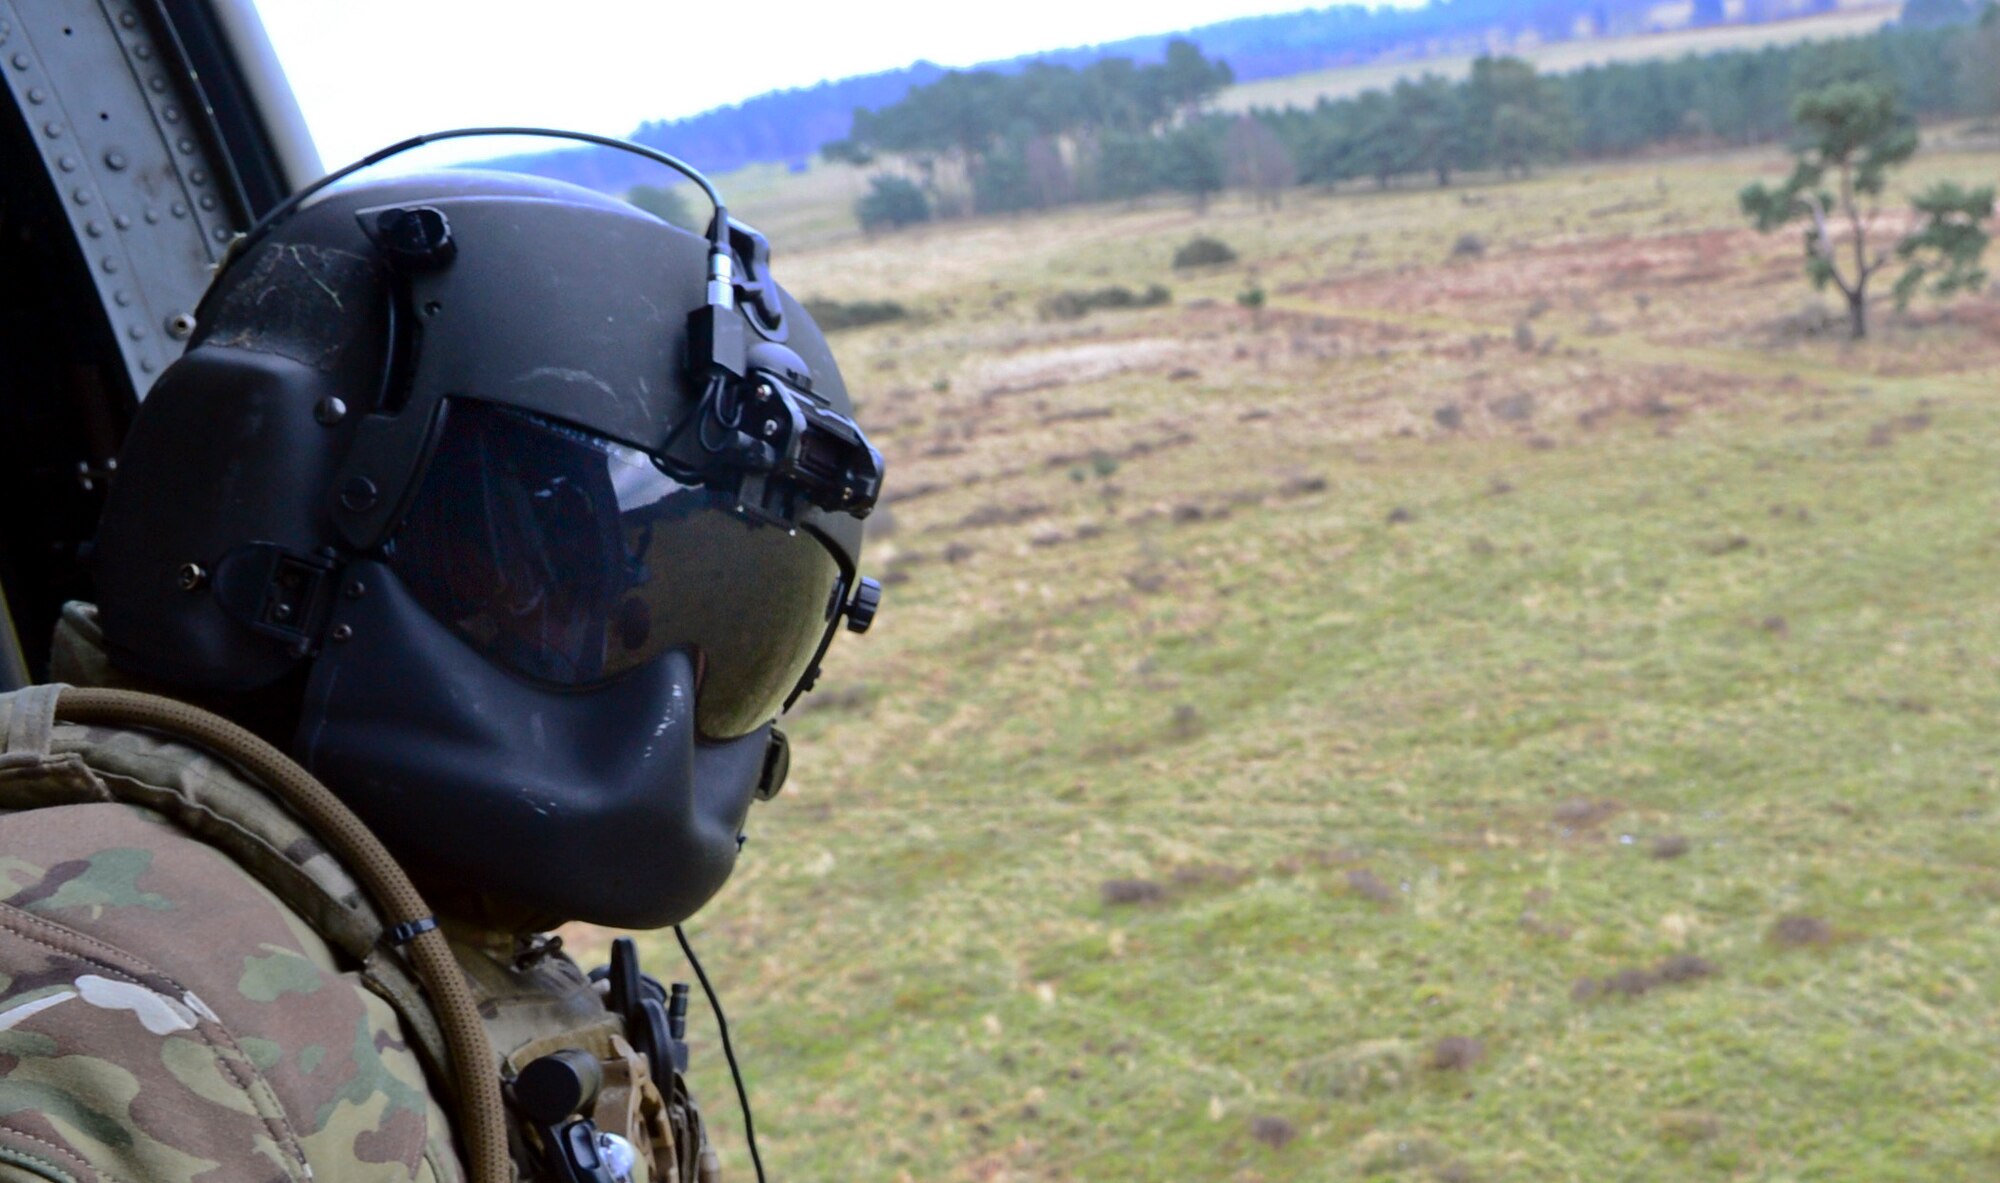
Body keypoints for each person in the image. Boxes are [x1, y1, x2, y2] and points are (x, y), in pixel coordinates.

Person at [0, 152, 882, 1183]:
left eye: (729, 640)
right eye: (521, 571)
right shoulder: (125, 1032)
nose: (657, 718)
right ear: (266, 503)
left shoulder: (409, 934)